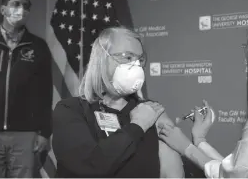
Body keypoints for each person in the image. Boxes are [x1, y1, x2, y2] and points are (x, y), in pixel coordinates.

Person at [158, 12, 248, 178]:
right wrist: (200, 140)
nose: (246, 61)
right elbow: (240, 169)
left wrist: (186, 147)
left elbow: (235, 176)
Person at [52, 27, 185, 178]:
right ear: (101, 59)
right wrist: (137, 125)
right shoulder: (71, 110)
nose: (135, 65)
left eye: (140, 59)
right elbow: (90, 165)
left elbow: (173, 172)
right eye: (127, 57)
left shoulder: (151, 111)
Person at [0, 0, 53, 178]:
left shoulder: (38, 46)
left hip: (26, 135)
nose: (21, 9)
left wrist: (44, 132)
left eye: (26, 6)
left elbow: (45, 93)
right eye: (16, 4)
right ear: (3, 9)